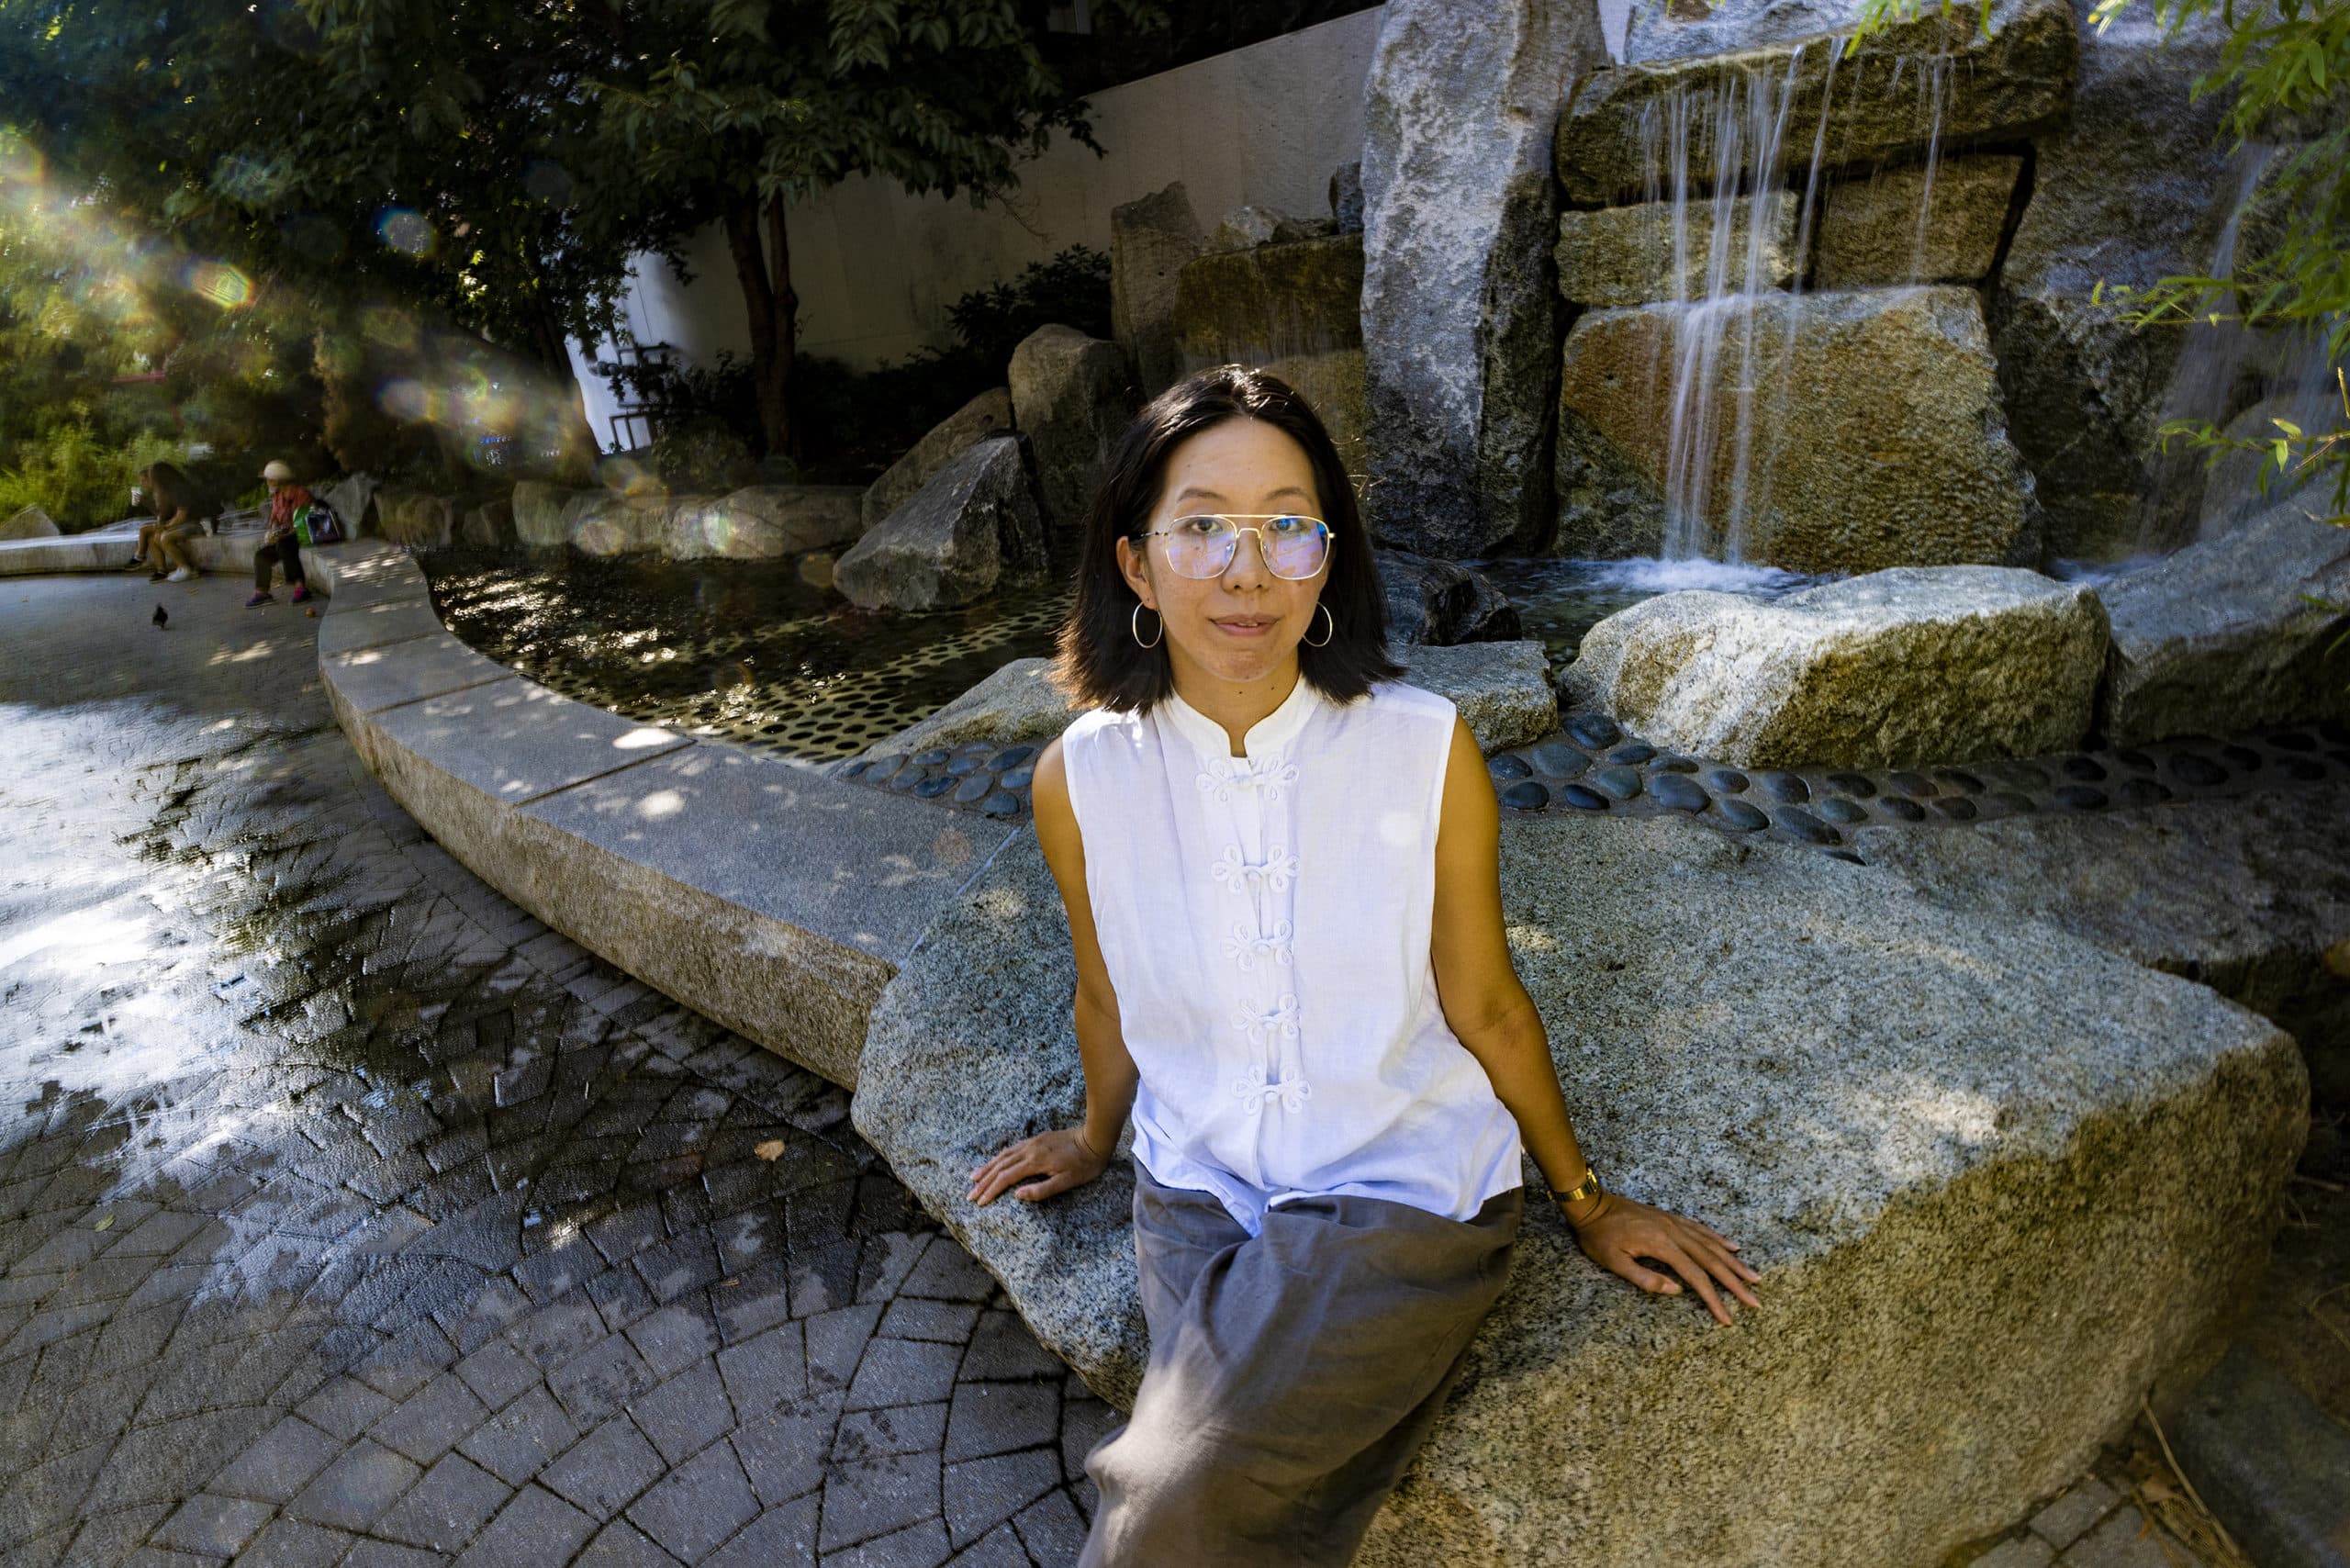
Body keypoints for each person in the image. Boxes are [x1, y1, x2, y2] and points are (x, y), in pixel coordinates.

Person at [966, 366, 1763, 1567]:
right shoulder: (1079, 777)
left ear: (1326, 558)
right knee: (1222, 1496)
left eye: (1287, 525)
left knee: (1165, 1498)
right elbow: (1105, 989)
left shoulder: (1421, 747)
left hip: (1398, 1188)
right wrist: (1093, 1138)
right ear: (1136, 563)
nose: (1247, 571)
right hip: (1196, 1192)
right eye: (1203, 528)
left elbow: (1485, 1002)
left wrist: (1586, 1202)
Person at [126, 463, 213, 583]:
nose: (150, 480)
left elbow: (181, 516)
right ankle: (162, 570)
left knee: (165, 537)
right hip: (184, 524)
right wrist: (163, 524)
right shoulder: (167, 491)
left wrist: (166, 526)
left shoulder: (179, 489)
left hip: (195, 524)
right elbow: (163, 514)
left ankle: (186, 569)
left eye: (151, 477)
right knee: (153, 537)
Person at [249, 459, 314, 608]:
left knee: (284, 544)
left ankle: (300, 587)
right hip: (286, 537)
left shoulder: (300, 494)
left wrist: (282, 535)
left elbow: (303, 523)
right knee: (262, 555)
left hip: (302, 535)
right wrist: (272, 532)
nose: (267, 483)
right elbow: (274, 520)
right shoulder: (277, 497)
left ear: (276, 480)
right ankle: (262, 592)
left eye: (269, 480)